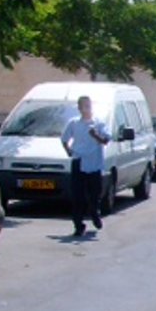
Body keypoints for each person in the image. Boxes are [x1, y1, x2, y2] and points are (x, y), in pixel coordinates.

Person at [60, 95, 111, 237]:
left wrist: (95, 135)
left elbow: (106, 140)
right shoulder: (74, 123)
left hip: (94, 164)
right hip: (79, 161)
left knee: (94, 194)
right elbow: (64, 139)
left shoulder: (99, 123)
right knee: (77, 196)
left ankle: (95, 213)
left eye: (89, 106)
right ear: (79, 108)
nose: (87, 109)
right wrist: (68, 150)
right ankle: (78, 225)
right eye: (84, 106)